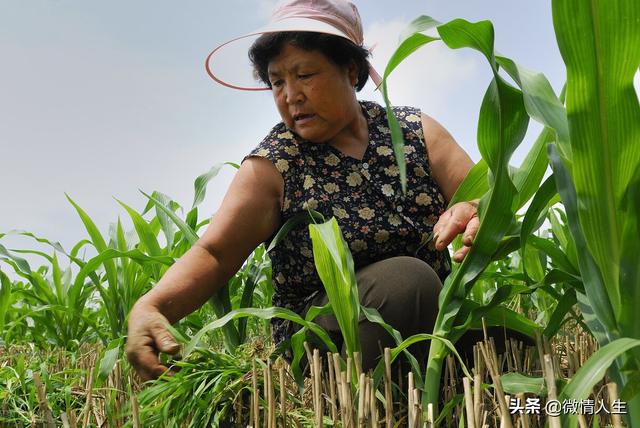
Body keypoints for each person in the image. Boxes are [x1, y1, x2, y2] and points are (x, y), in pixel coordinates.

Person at [126, 0, 480, 381]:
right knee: (406, 281)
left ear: (351, 69)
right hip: (324, 343)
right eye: (277, 81)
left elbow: (483, 192)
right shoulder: (273, 165)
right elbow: (215, 253)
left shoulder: (412, 131)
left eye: (305, 74)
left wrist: (473, 209)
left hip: (429, 320)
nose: (290, 95)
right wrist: (152, 306)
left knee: (515, 346)